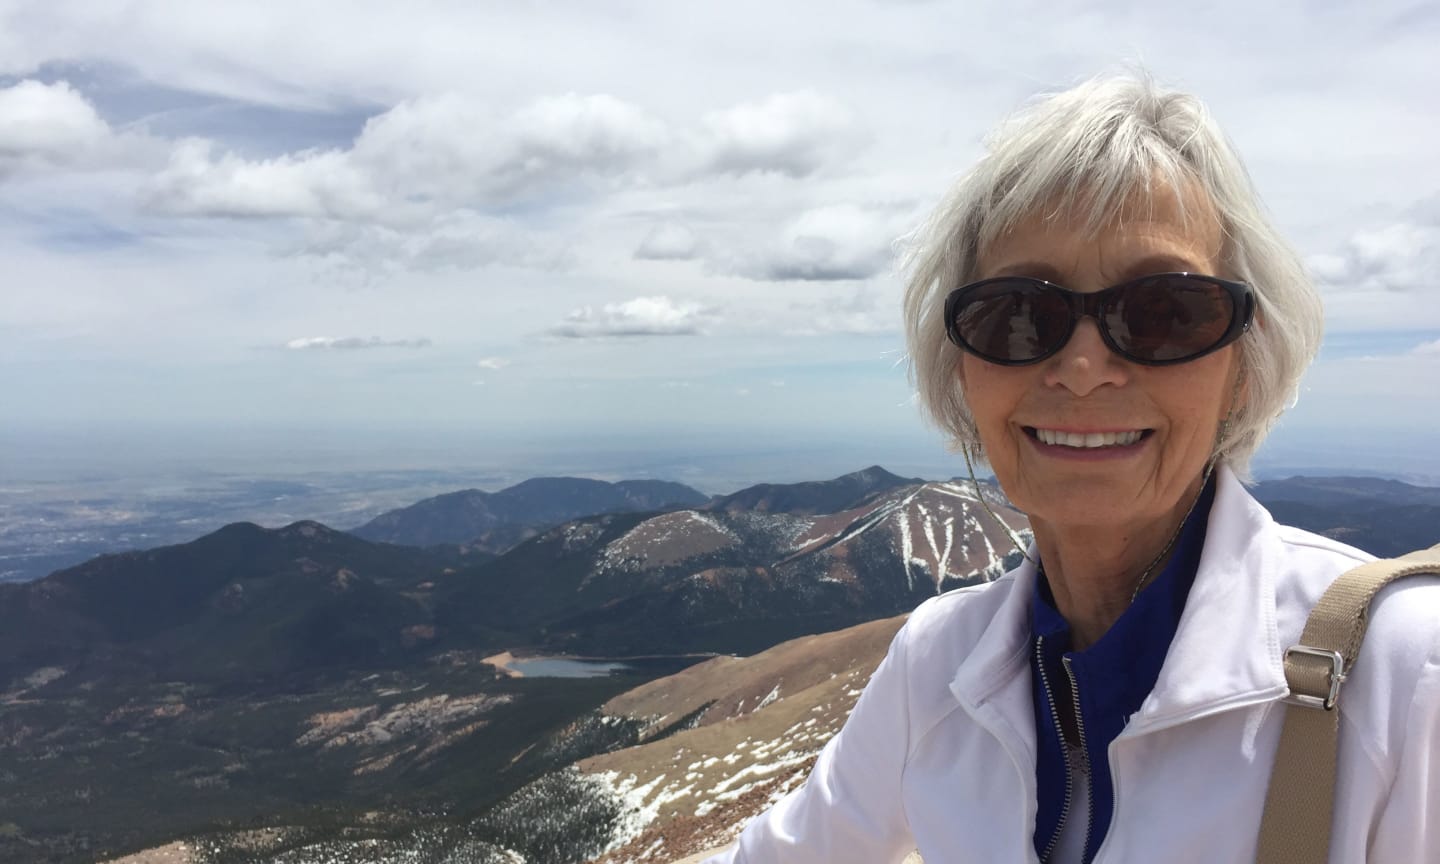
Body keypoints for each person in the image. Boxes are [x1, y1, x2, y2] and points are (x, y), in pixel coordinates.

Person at [706, 72, 1440, 863]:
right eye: (1019, 315)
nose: (1084, 367)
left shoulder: (1405, 674)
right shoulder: (938, 664)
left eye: (1164, 312)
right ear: (962, 371)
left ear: (1244, 369)